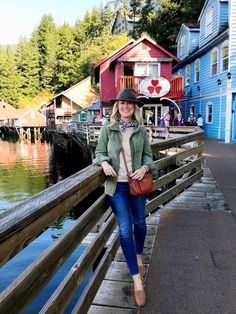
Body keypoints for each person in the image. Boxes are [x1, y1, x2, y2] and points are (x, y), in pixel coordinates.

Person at [94, 88, 158, 307]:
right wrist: (103, 163)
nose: (125, 106)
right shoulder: (108, 129)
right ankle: (137, 280)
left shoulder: (141, 131)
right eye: (122, 103)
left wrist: (144, 167)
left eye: (129, 103)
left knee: (140, 224)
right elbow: (99, 152)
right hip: (117, 188)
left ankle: (138, 255)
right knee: (125, 230)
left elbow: (149, 156)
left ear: (135, 107)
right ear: (117, 106)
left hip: (136, 185)